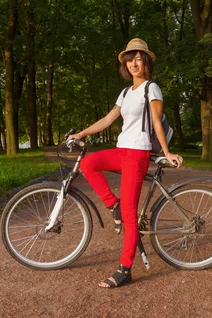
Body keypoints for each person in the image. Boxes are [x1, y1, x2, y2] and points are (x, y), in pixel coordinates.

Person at [69, 38, 184, 288]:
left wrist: (167, 152)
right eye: (130, 59)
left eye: (139, 58)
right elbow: (108, 119)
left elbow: (156, 121)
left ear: (147, 61)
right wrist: (82, 133)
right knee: (88, 164)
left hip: (138, 154)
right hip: (122, 151)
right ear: (125, 64)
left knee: (131, 216)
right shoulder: (125, 92)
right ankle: (114, 206)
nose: (134, 63)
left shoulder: (151, 89)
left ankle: (125, 268)